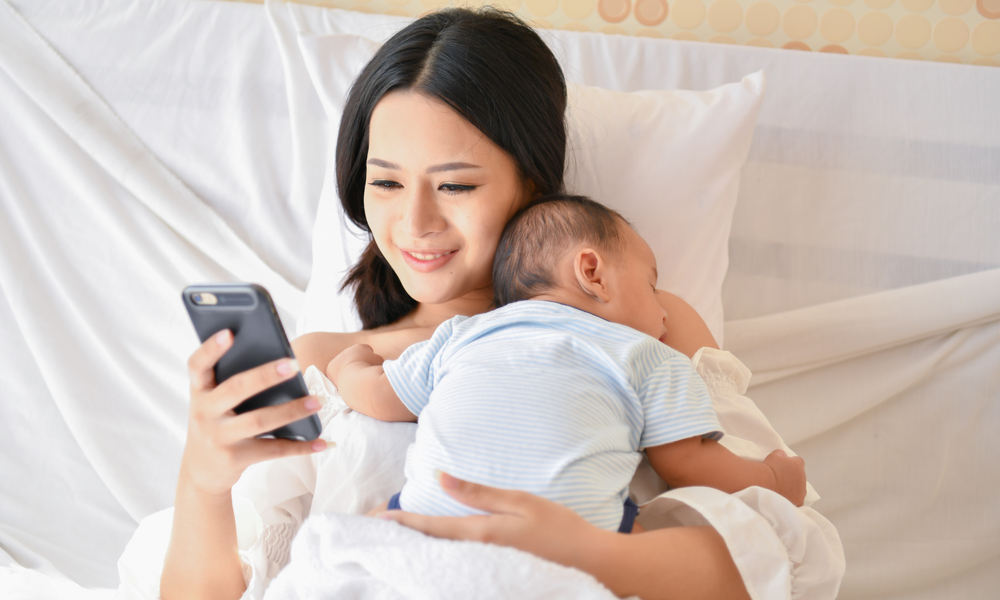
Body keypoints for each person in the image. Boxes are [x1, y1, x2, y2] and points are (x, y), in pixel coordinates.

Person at [157, 7, 841, 600]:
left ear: (532, 183)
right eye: (387, 183)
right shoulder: (326, 364)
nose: (415, 222)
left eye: (454, 186)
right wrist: (204, 480)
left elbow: (783, 559)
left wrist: (587, 551)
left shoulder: (639, 326)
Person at [326, 195, 807, 534]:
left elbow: (382, 397)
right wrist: (773, 481)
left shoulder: (463, 335)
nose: (664, 311)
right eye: (652, 284)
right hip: (569, 543)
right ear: (592, 272)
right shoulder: (648, 355)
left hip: (431, 526)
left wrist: (350, 368)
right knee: (669, 553)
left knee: (361, 534)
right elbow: (687, 463)